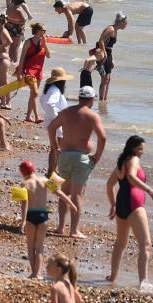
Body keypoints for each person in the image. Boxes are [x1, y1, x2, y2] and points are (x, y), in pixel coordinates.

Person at [47, 85, 106, 238]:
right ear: (92, 100)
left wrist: (55, 147)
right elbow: (102, 137)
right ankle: (74, 230)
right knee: (77, 195)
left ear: (79, 98)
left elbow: (51, 127)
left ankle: (60, 228)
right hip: (81, 158)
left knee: (64, 192)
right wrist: (97, 156)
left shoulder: (66, 112)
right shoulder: (92, 116)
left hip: (65, 155)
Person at [106, 135, 153, 289]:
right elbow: (131, 177)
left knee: (120, 243)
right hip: (134, 204)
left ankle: (112, 276)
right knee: (145, 244)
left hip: (122, 204)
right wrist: (149, 190)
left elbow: (109, 185)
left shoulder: (120, 163)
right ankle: (144, 281)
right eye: (140, 149)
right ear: (132, 148)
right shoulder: (134, 159)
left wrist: (113, 205)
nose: (142, 152)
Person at [17, 160, 74, 279]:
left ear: (22, 173)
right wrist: (71, 204)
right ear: (34, 170)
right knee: (39, 247)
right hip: (43, 215)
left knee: (30, 246)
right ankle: (38, 274)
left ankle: (33, 273)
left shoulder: (23, 184)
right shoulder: (44, 180)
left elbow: (24, 203)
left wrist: (22, 222)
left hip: (31, 215)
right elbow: (59, 192)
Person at [39, 68, 73, 175]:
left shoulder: (50, 88)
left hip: (51, 121)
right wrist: (57, 118)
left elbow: (42, 101)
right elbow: (49, 104)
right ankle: (51, 172)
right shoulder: (55, 90)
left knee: (54, 148)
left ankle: (52, 171)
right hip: (56, 123)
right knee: (57, 148)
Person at [15, 23, 50, 124]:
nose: (45, 33)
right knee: (35, 93)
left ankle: (27, 116)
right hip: (30, 70)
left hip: (39, 71)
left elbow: (48, 56)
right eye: (43, 31)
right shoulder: (28, 42)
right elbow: (22, 58)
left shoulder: (44, 41)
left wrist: (45, 43)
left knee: (33, 94)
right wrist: (20, 72)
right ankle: (36, 116)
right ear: (38, 31)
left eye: (45, 31)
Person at [95, 12, 127, 101]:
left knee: (108, 79)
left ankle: (104, 100)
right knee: (104, 78)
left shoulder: (115, 30)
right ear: (121, 22)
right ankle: (101, 100)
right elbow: (100, 41)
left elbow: (110, 46)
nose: (126, 25)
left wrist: (112, 59)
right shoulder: (111, 29)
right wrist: (104, 54)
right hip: (102, 53)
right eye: (125, 23)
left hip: (108, 53)